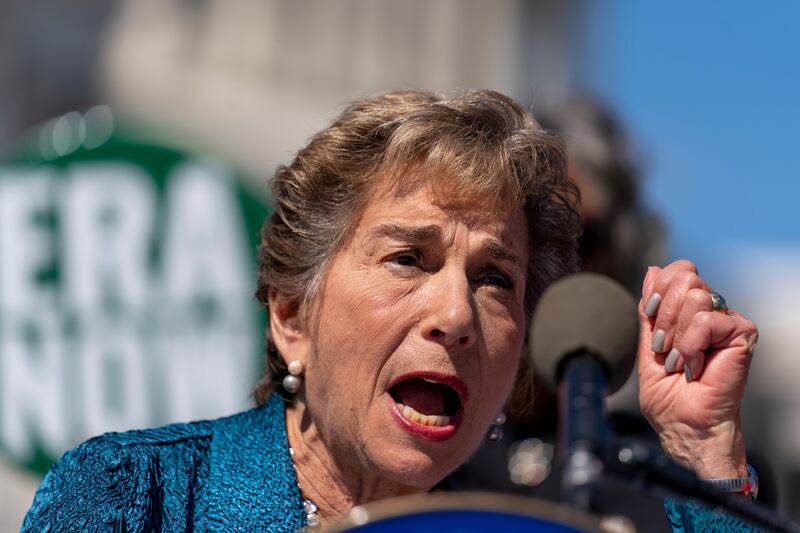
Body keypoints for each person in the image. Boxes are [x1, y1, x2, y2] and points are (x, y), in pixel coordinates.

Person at [22, 89, 759, 531]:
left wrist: (704, 450)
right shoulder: (134, 495)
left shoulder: (526, 525)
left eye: (496, 278)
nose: (457, 313)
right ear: (290, 315)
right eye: (409, 258)